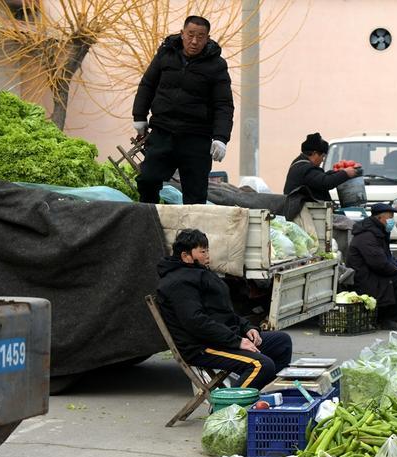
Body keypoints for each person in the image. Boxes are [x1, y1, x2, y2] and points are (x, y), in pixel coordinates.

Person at [157, 229, 292, 390]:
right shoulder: (178, 283)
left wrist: (246, 328)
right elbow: (196, 322)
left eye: (207, 250)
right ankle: (226, 410)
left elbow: (223, 311)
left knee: (282, 342)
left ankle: (265, 398)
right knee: (261, 366)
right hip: (202, 347)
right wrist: (237, 341)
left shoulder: (198, 272)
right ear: (186, 256)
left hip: (222, 337)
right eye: (202, 251)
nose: (207, 255)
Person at [132, 15, 234, 205]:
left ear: (208, 38)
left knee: (195, 196)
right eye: (190, 35)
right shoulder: (165, 54)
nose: (194, 41)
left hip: (196, 138)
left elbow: (224, 105)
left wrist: (221, 138)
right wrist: (139, 116)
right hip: (163, 132)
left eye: (201, 37)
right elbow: (147, 84)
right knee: (147, 180)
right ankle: (149, 221)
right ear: (182, 34)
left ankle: (191, 234)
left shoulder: (217, 65)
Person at [346, 203, 397, 330]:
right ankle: (392, 319)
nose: (392, 221)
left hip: (373, 275)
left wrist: (395, 268)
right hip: (365, 281)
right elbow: (379, 263)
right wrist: (396, 271)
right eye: (390, 217)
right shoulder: (367, 236)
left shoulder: (376, 232)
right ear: (380, 218)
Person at [283, 132, 358, 201]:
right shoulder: (305, 168)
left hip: (307, 210)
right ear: (315, 153)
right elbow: (326, 182)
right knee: (343, 216)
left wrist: (338, 172)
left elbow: (320, 177)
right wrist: (345, 173)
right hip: (304, 213)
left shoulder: (300, 164)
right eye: (323, 156)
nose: (322, 160)